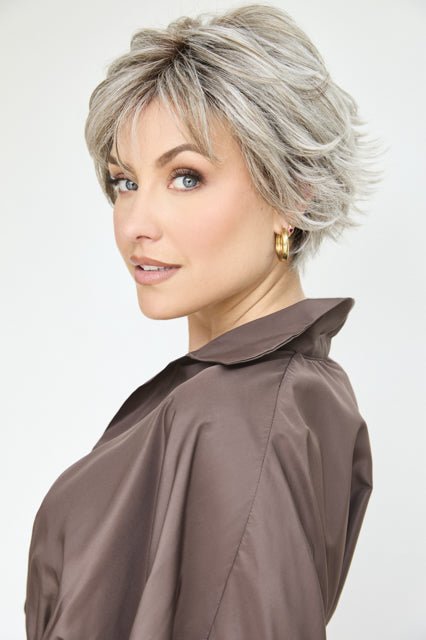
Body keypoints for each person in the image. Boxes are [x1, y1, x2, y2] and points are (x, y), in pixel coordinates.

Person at [24, 4, 382, 638]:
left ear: (293, 193)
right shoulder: (276, 391)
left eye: (186, 177)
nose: (136, 224)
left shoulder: (238, 416)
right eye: (125, 181)